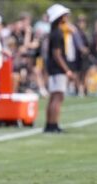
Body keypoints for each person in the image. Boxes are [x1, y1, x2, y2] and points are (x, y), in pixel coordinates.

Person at [44, 4, 75, 133]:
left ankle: (50, 124)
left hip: (53, 68)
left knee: (54, 96)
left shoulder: (54, 31)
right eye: (64, 15)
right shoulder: (58, 33)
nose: (66, 17)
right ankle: (53, 124)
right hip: (57, 69)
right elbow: (57, 54)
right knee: (58, 97)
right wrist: (66, 70)